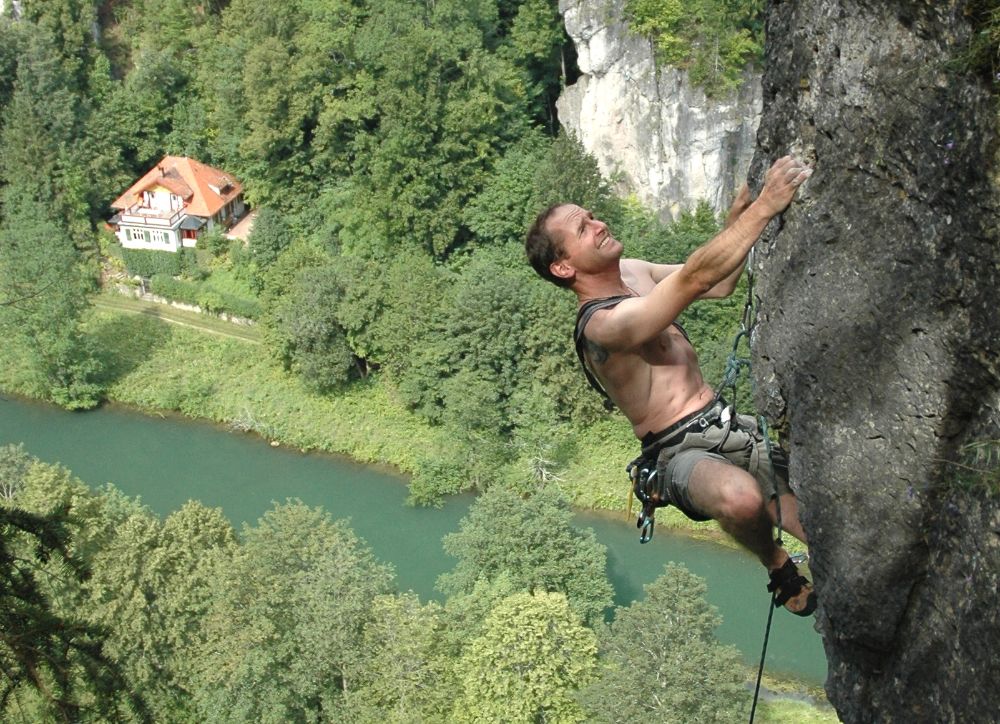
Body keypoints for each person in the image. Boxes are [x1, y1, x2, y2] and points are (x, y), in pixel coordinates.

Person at [524, 155, 816, 615]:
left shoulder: (635, 272)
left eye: (592, 217)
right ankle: (776, 562)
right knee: (739, 498)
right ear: (563, 267)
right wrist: (764, 208)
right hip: (679, 452)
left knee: (826, 524)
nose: (599, 225)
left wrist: (737, 218)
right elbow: (697, 276)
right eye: (583, 229)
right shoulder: (601, 328)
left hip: (726, 425)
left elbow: (716, 285)